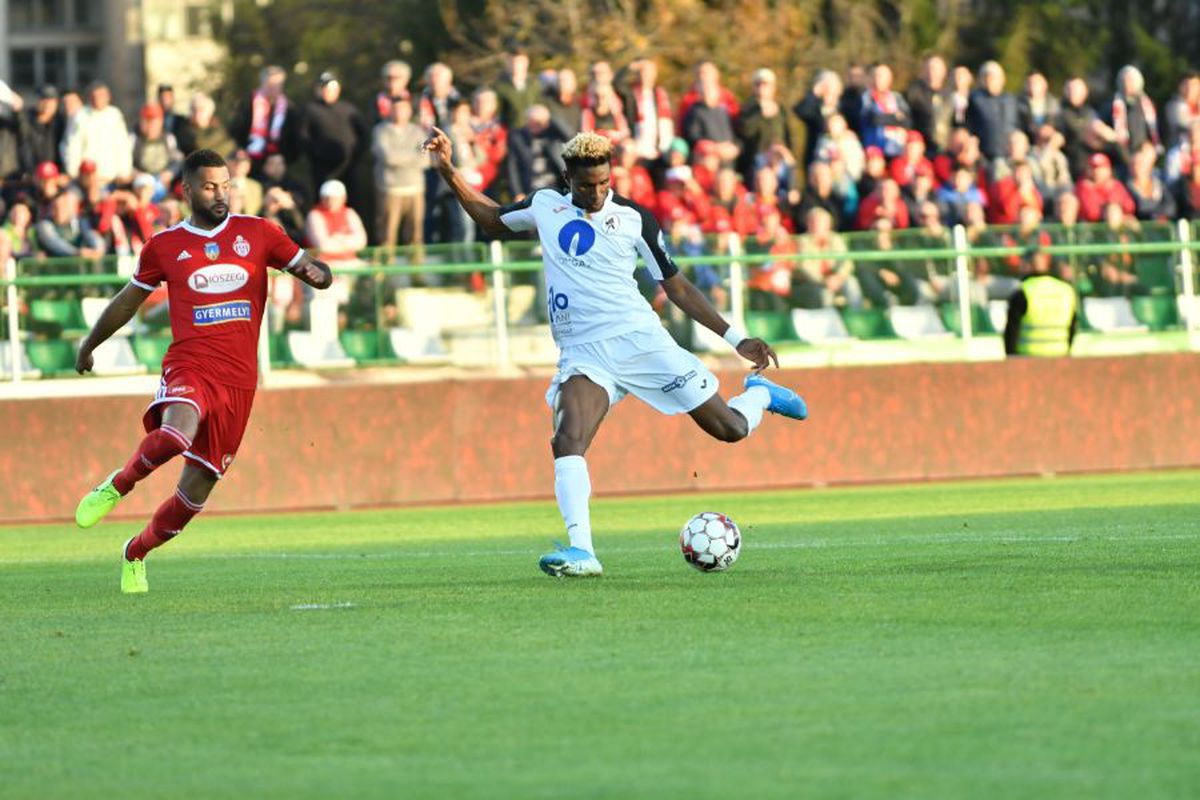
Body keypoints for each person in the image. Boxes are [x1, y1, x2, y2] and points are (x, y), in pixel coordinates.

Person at [423, 127, 807, 577]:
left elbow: (676, 285)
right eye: (587, 186)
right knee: (567, 439)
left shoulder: (634, 218)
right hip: (584, 353)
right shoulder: (546, 205)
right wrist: (449, 172)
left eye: (605, 183)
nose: (597, 193)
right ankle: (582, 551)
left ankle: (758, 395)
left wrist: (736, 338)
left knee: (730, 430)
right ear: (568, 178)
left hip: (641, 342)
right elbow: (491, 220)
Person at [71, 150, 331, 593]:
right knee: (175, 434)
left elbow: (315, 269)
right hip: (190, 363)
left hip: (239, 382)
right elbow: (128, 301)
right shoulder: (165, 245)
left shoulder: (259, 233)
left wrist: (316, 273)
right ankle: (117, 485)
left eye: (226, 185)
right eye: (210, 187)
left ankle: (134, 553)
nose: (220, 194)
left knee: (193, 497)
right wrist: (89, 343)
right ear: (187, 190)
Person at [1004, 253, 1077, 358]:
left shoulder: (1023, 291)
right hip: (1060, 357)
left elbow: (1012, 330)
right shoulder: (1066, 290)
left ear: (1028, 266)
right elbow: (1073, 326)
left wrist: (1011, 358)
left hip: (1028, 359)